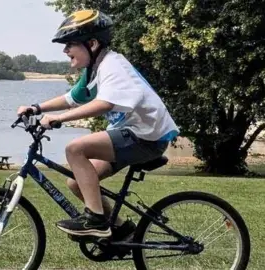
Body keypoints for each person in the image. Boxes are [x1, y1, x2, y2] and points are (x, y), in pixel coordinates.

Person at [16, 9, 179, 241]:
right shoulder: (96, 69)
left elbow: (104, 104)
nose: (65, 50)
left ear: (91, 43)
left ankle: (97, 221)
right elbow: (72, 98)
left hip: (146, 137)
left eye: (70, 44)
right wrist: (37, 108)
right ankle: (122, 232)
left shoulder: (113, 66)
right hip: (133, 136)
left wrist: (60, 118)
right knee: (76, 182)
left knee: (75, 149)